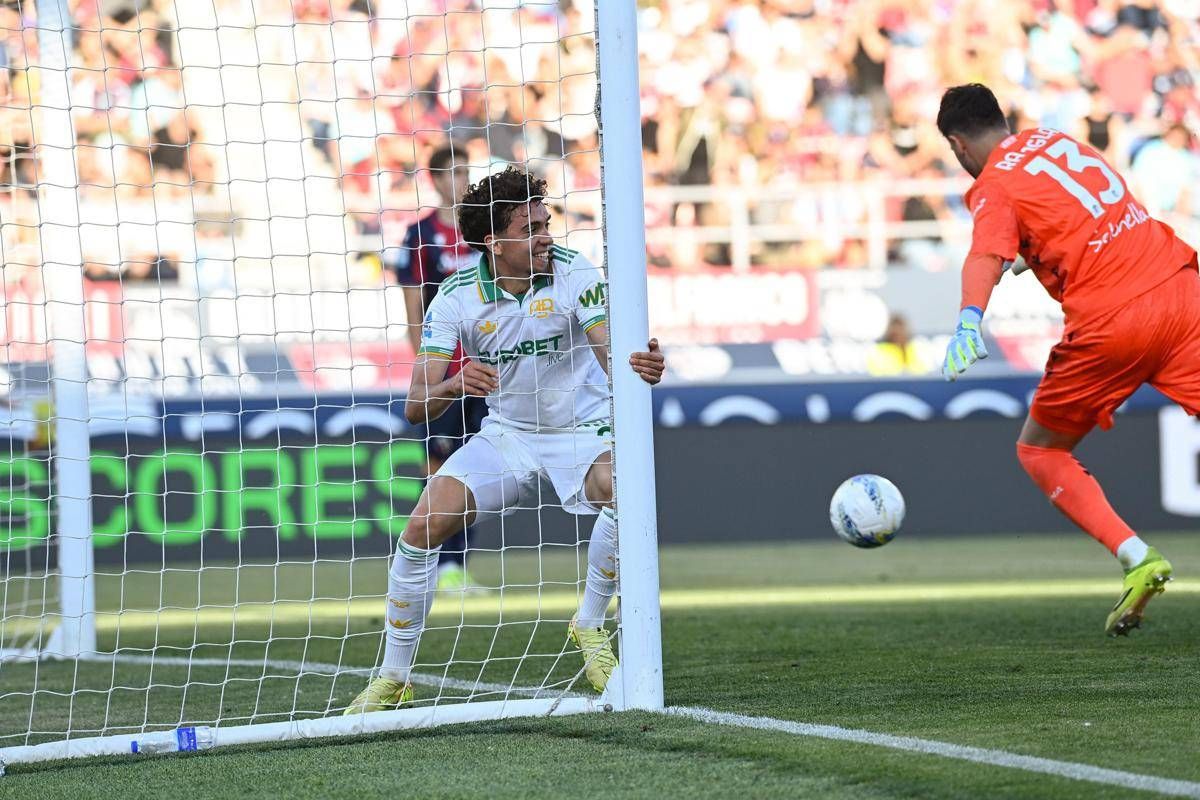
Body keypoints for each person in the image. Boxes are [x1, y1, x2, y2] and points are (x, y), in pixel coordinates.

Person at [347, 167, 665, 712]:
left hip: (583, 429)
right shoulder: (455, 297)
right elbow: (416, 405)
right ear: (494, 243)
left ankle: (590, 623)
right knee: (422, 525)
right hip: (509, 435)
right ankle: (393, 676)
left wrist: (640, 366)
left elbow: (609, 353)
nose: (546, 237)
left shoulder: (573, 271)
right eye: (531, 229)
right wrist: (453, 383)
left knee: (624, 488)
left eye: (546, 224)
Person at [936, 83, 1196, 637]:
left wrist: (968, 319)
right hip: (1178, 287)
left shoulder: (993, 183)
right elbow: (1087, 211)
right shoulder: (1054, 141)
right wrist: (1036, 253)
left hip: (1112, 321)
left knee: (1040, 449)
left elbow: (984, 254)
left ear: (958, 145)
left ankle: (1138, 559)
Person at [389, 145, 486, 591]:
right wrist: (425, 373)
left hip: (485, 369)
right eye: (452, 172)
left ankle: (456, 565)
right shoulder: (421, 235)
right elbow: (414, 309)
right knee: (438, 466)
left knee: (477, 467)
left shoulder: (485, 230)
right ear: (436, 180)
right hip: (445, 374)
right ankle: (430, 562)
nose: (460, 180)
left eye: (464, 171)